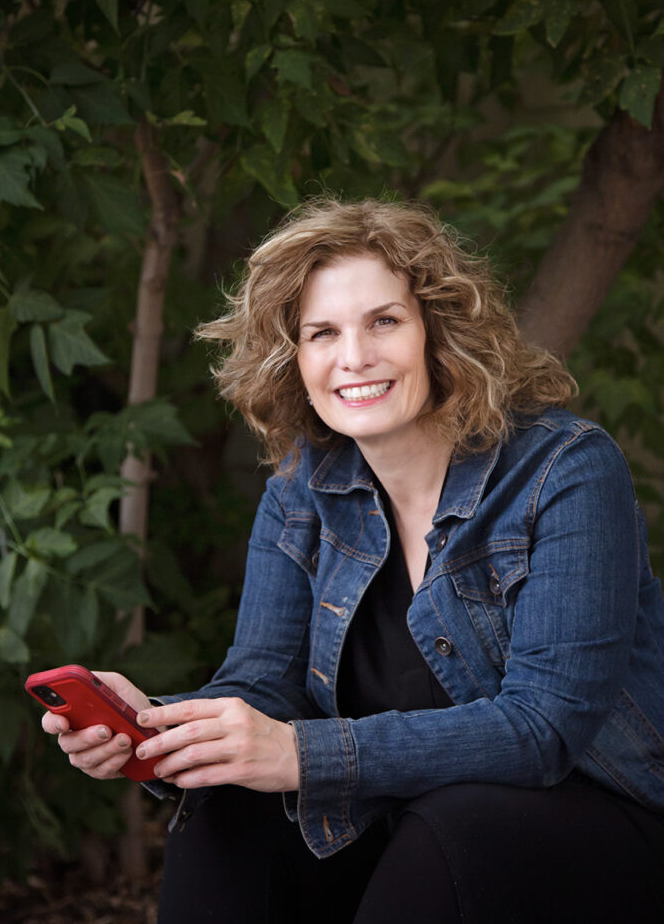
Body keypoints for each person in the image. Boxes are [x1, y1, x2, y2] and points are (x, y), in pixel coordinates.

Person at [42, 198, 664, 923]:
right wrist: (155, 723)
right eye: (322, 333)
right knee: (227, 808)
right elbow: (261, 685)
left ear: (439, 332)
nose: (355, 357)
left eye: (385, 322)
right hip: (403, 823)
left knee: (450, 827)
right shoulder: (302, 489)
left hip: (594, 816)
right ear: (293, 358)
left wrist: (302, 755)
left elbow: (543, 731)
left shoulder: (565, 470)